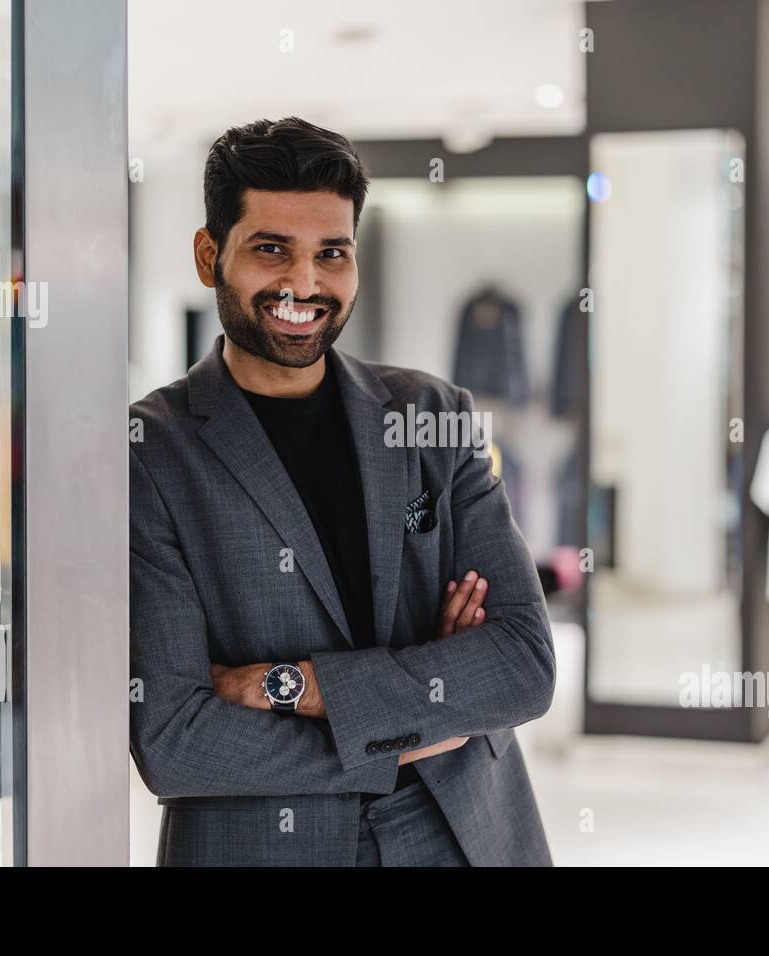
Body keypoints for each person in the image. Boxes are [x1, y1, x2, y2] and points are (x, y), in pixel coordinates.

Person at [128, 116, 555, 866]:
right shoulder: (150, 451)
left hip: (464, 835)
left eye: (332, 253)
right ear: (209, 255)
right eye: (271, 249)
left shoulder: (432, 417)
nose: (304, 283)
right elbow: (175, 740)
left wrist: (295, 686)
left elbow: (522, 662)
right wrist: (424, 713)